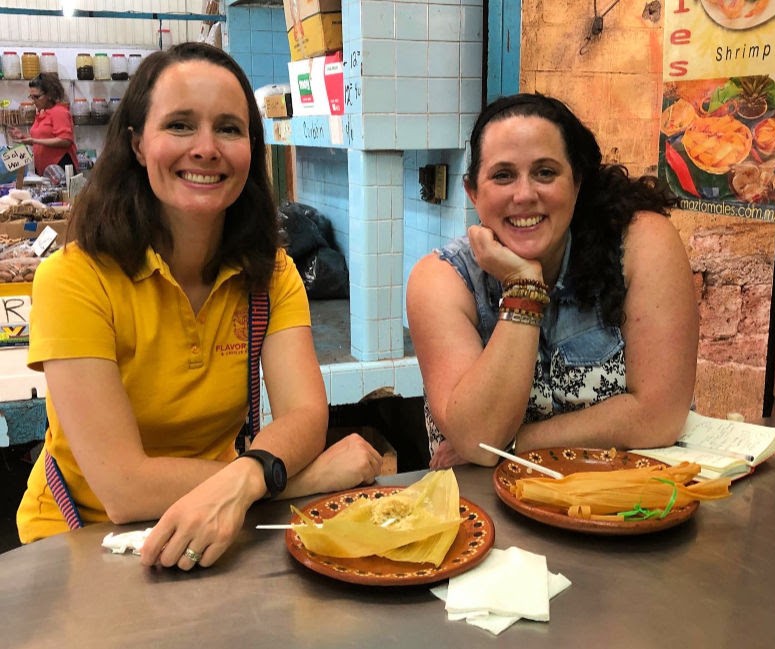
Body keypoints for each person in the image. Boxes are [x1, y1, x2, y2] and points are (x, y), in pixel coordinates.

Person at [17, 42, 382, 569]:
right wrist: (296, 480)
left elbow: (305, 413)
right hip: (81, 543)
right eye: (181, 125)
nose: (207, 148)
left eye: (230, 129)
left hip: (217, 527)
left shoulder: (272, 274)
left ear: (251, 151)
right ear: (138, 144)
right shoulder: (74, 279)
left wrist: (246, 479)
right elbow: (123, 486)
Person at [406, 93, 699, 469]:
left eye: (545, 172)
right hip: (490, 514)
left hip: (628, 501)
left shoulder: (642, 242)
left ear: (576, 183)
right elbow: (479, 432)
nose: (525, 194)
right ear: (473, 193)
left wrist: (514, 445)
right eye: (503, 175)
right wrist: (523, 288)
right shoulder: (442, 279)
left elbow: (661, 416)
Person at [9, 73, 79, 175]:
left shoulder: (59, 112)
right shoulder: (42, 113)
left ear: (50, 95)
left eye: (37, 97)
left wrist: (34, 140)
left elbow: (65, 140)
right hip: (44, 169)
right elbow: (42, 139)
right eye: (31, 97)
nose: (33, 101)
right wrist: (23, 137)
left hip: (60, 167)